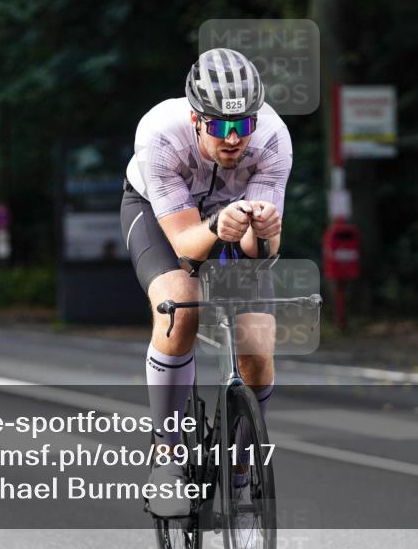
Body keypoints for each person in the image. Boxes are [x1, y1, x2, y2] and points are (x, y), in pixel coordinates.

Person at [121, 48, 292, 517]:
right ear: (196, 119)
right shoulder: (159, 135)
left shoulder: (273, 139)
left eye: (243, 125)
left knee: (258, 345)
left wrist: (266, 232)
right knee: (182, 305)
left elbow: (261, 259)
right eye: (219, 126)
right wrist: (218, 226)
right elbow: (184, 248)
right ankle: (166, 457)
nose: (234, 138)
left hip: (231, 218)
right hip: (163, 219)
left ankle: (241, 470)